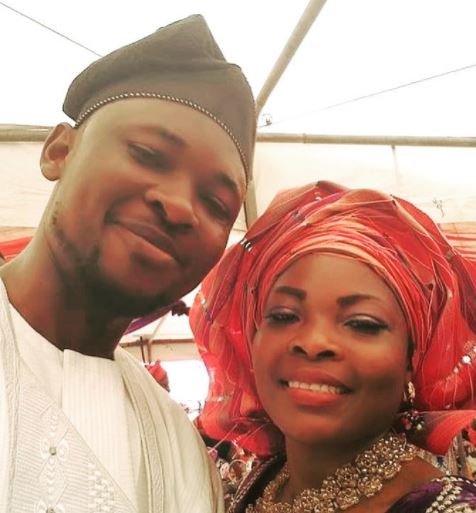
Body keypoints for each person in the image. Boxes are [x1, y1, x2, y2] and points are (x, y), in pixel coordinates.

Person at [0, 14, 255, 513]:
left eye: (216, 203)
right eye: (147, 154)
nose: (179, 207)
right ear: (59, 151)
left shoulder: (183, 454)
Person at [190, 181, 476, 512]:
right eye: (284, 316)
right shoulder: (260, 482)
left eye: (362, 323)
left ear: (411, 359)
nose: (313, 343)